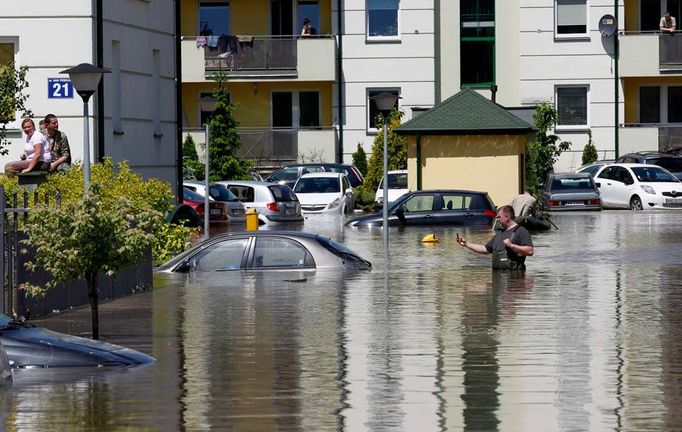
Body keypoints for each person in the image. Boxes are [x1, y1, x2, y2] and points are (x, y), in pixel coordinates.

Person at [456, 205, 534, 270]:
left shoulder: (521, 231)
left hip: (514, 282)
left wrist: (512, 245)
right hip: (498, 280)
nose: (497, 219)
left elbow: (530, 251)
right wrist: (466, 244)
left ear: (507, 217)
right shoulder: (500, 233)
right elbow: (485, 249)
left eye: (499, 217)